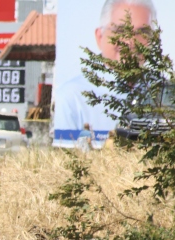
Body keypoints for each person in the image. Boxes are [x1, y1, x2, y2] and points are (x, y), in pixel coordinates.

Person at [54, 0, 157, 148]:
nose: (130, 41)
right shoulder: (71, 98)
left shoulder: (167, 96)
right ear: (100, 37)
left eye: (142, 33)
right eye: (120, 31)